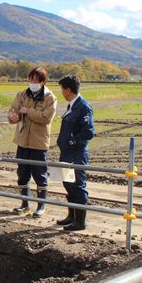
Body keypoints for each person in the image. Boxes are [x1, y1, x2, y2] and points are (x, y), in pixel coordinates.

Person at [7, 67, 57, 217]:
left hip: (39, 143)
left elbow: (46, 117)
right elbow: (12, 111)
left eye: (35, 80)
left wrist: (27, 111)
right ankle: (24, 203)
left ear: (42, 81)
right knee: (22, 174)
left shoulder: (50, 98)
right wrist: (13, 117)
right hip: (23, 141)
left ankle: (41, 206)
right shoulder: (22, 94)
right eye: (30, 79)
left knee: (40, 175)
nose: (32, 83)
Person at [55, 75, 95, 231]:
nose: (62, 92)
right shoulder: (71, 106)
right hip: (66, 153)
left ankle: (80, 221)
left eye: (62, 89)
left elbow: (88, 131)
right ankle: (71, 216)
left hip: (76, 153)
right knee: (68, 183)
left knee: (78, 185)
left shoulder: (83, 107)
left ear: (68, 90)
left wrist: (73, 141)